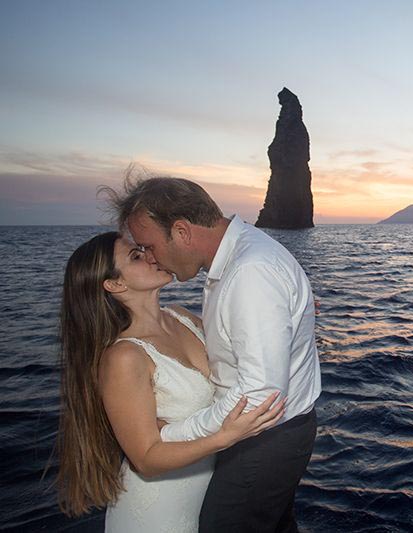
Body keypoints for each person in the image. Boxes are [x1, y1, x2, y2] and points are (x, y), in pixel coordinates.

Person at [106, 176, 322, 532]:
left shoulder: (249, 272)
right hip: (262, 439)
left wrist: (172, 433)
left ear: (181, 232)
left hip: (260, 441)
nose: (151, 258)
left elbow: (260, 398)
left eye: (149, 245)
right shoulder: (242, 262)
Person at [56, 231, 287, 531]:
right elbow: (146, 459)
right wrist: (225, 438)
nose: (152, 256)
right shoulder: (124, 357)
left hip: (204, 495)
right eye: (136, 257)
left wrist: (281, 314)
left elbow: (241, 349)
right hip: (157, 510)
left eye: (144, 249)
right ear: (115, 284)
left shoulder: (181, 317)